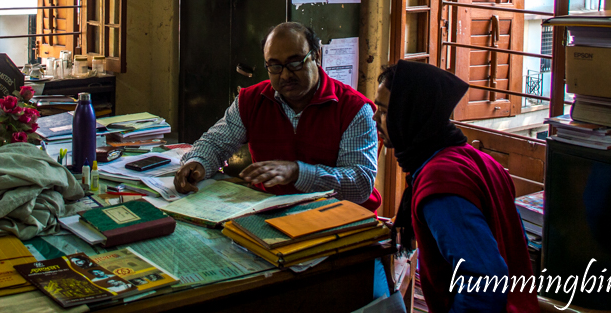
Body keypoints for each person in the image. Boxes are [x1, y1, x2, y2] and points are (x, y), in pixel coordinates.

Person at [375, 60, 537, 313]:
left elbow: (484, 281)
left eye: (384, 111)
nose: (376, 118)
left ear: (410, 114)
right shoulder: (473, 158)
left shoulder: (440, 181)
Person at [174, 22, 380, 211]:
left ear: (317, 55)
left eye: (295, 63)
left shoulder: (354, 108)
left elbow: (360, 184)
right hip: (270, 214)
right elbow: (215, 143)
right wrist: (197, 162)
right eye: (275, 66)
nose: (285, 75)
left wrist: (298, 172)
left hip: (337, 221)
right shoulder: (252, 100)